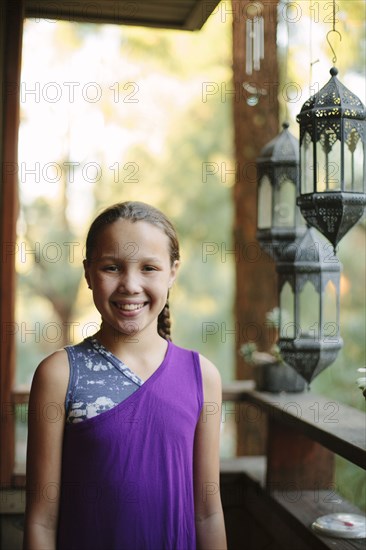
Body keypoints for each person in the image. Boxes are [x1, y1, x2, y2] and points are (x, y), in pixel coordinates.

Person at [23, 201, 227, 550]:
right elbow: (42, 521)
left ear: (173, 272)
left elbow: (207, 513)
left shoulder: (202, 377)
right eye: (112, 267)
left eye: (149, 268)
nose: (130, 285)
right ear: (88, 273)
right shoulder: (60, 375)